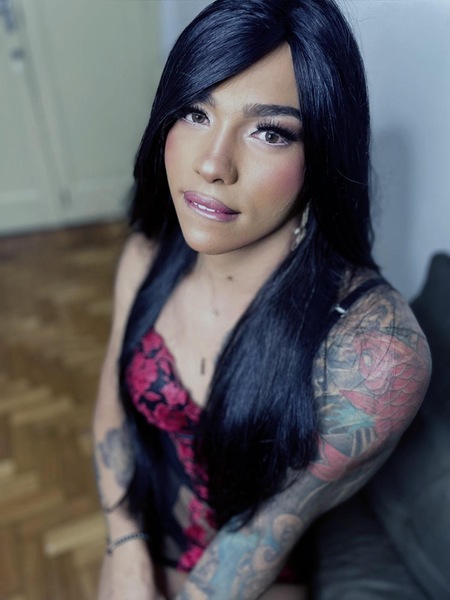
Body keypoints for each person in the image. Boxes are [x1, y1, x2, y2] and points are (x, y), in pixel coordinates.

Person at [93, 0, 431, 598]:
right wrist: (125, 546)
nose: (212, 164)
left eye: (269, 132)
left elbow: (261, 535)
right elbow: (112, 413)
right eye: (196, 112)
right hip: (141, 535)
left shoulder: (375, 354)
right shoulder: (147, 255)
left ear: (322, 153)